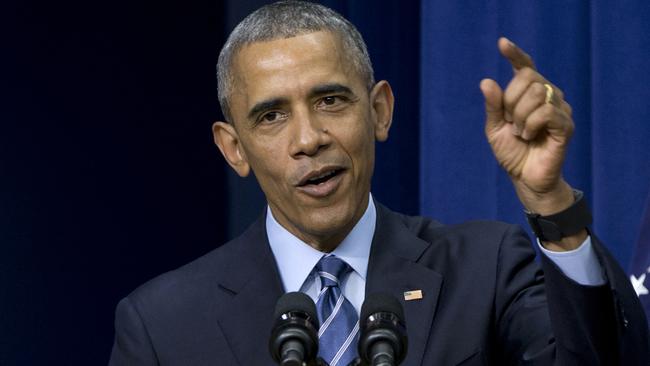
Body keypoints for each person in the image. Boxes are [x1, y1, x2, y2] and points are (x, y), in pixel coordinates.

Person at [108, 1, 649, 365]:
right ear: (233, 148)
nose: (309, 138)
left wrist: (549, 202)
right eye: (271, 116)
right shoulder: (162, 324)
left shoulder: (485, 268)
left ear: (380, 112)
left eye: (330, 100)